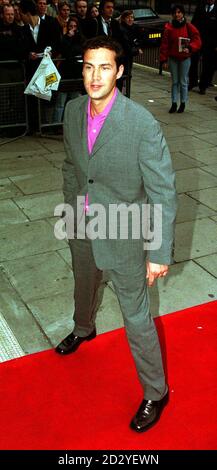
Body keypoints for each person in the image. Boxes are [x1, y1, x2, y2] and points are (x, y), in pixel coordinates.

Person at [55, 36, 177, 433]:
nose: (95, 76)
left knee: (137, 317)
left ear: (120, 71)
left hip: (125, 232)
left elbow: (162, 191)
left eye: (105, 67)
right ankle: (83, 328)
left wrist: (158, 251)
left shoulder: (141, 123)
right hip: (82, 223)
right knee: (83, 283)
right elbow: (73, 165)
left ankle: (156, 391)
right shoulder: (73, 111)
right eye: (89, 66)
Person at [160, 4, 201, 113]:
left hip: (185, 59)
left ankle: (183, 103)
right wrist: (163, 59)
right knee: (175, 82)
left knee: (183, 82)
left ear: (182, 13)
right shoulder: (168, 27)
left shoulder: (189, 26)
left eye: (179, 12)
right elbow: (165, 44)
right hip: (173, 58)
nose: (177, 14)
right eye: (175, 13)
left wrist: (190, 48)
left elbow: (197, 40)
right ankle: (174, 103)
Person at [189, 0, 217, 94]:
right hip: (198, 40)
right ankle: (192, 82)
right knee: (193, 61)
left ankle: (203, 86)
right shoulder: (200, 6)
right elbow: (194, 22)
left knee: (207, 65)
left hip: (210, 43)